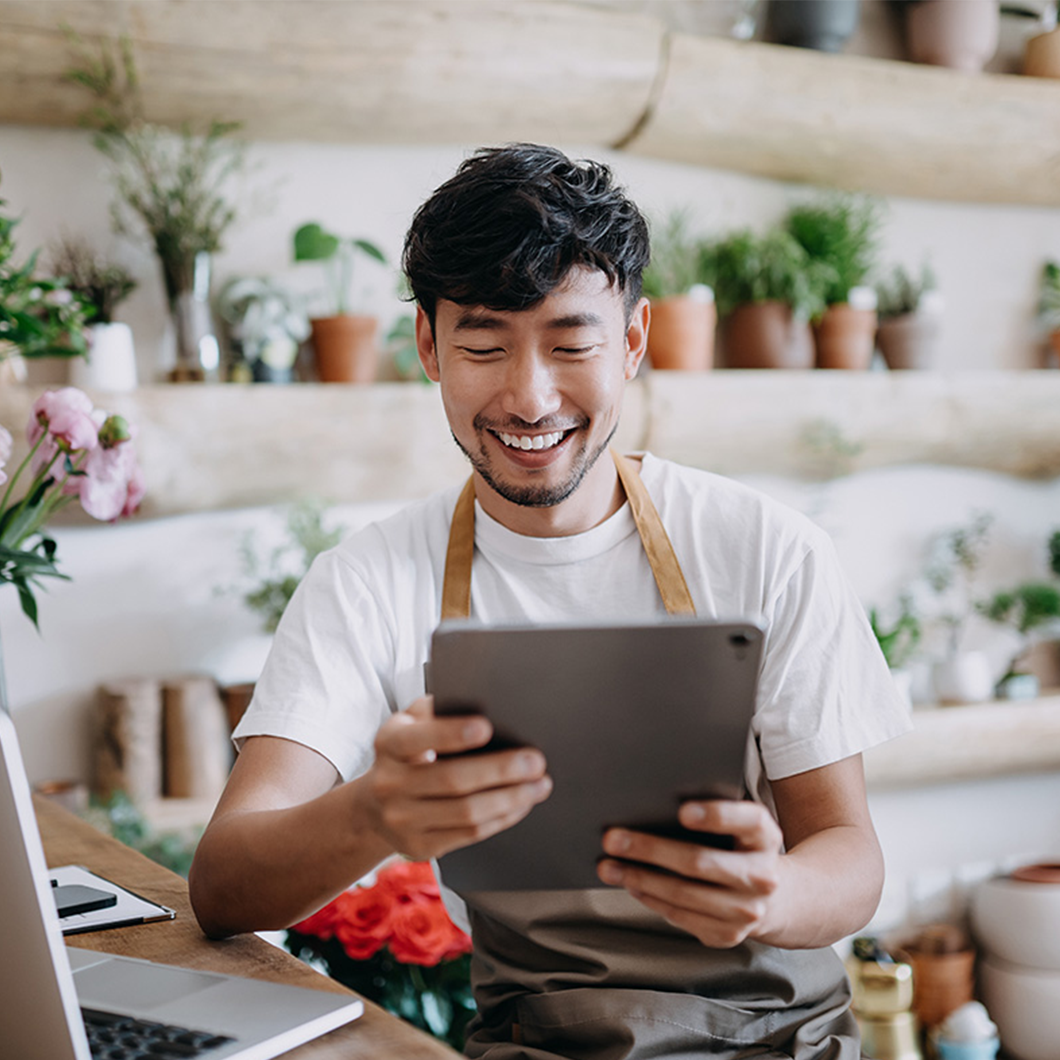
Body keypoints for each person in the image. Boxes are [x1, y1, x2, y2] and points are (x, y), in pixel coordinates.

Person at [189, 143, 911, 1059]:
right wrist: (373, 814)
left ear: (635, 342)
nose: (529, 399)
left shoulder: (767, 548)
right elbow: (221, 885)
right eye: (483, 346)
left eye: (572, 345)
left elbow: (850, 856)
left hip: (781, 1037)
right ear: (428, 347)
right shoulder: (366, 582)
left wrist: (775, 893)